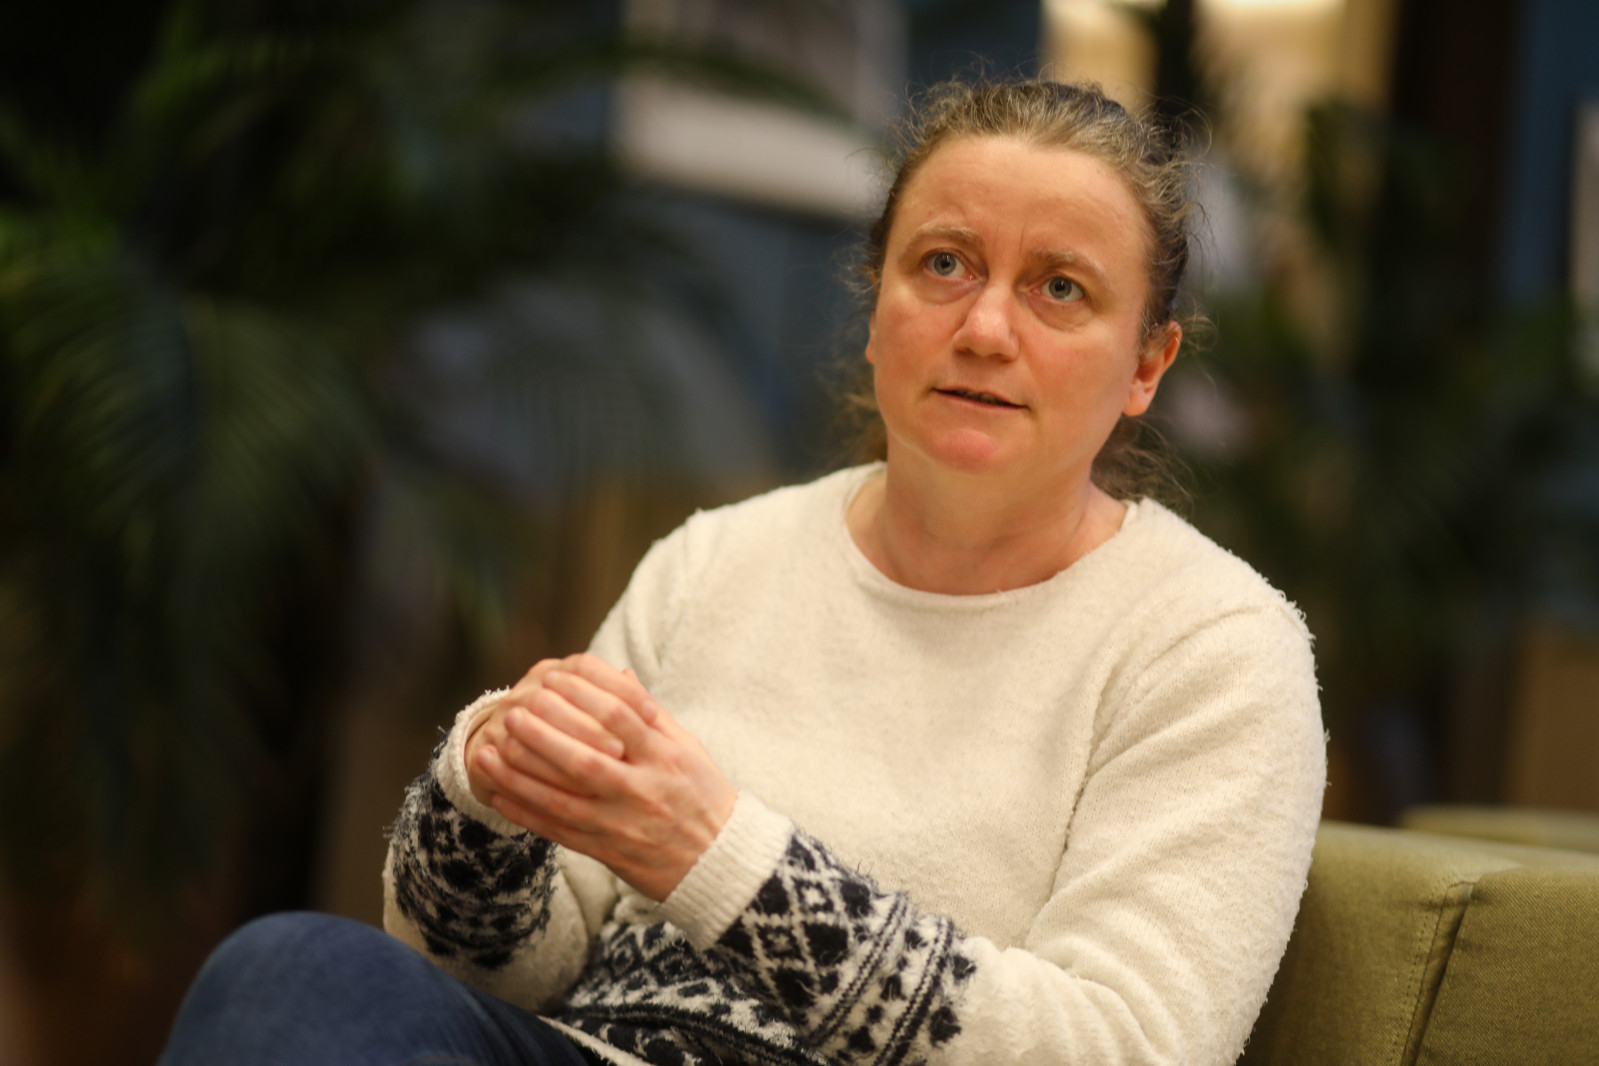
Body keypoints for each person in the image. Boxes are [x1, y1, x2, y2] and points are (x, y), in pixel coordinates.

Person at [161, 79, 1325, 1066]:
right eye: (944, 264)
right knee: (289, 967)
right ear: (876, 307)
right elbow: (502, 974)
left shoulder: (1213, 645)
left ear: (1147, 364)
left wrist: (717, 855)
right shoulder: (717, 557)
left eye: (1060, 288)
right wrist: (486, 802)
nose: (984, 328)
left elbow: (1123, 1048)